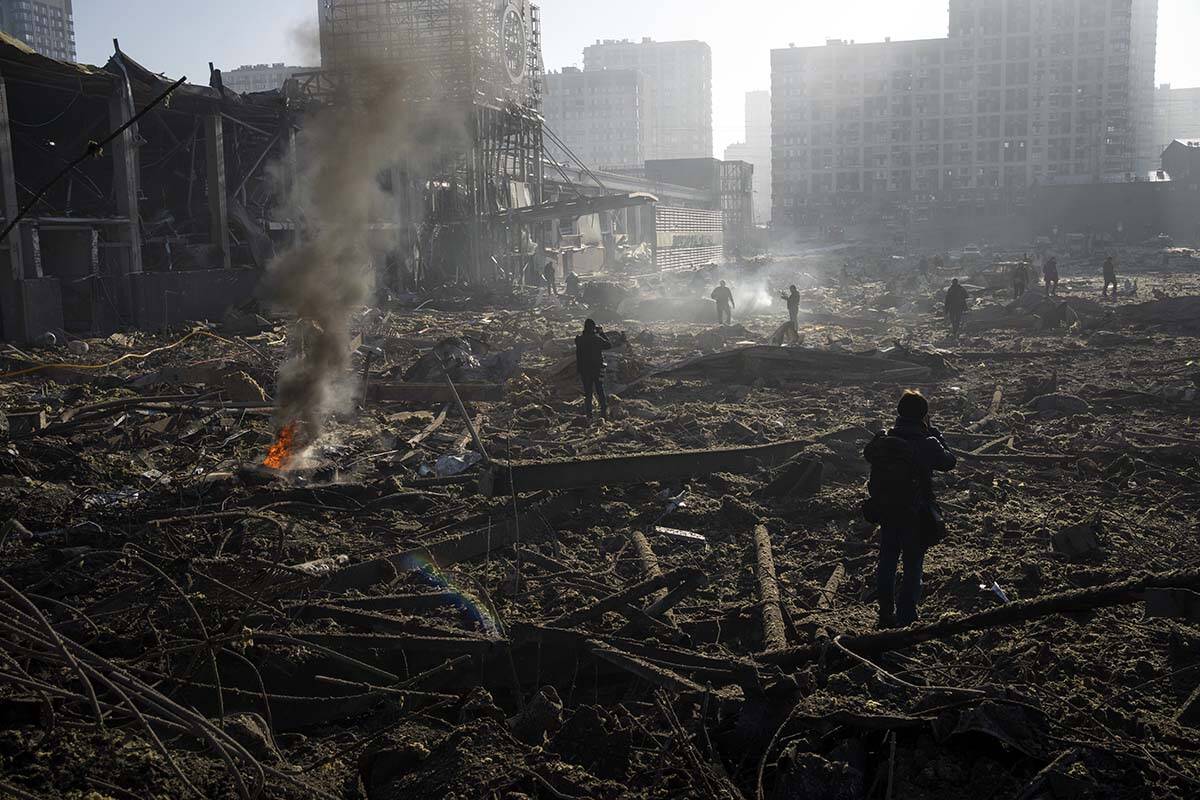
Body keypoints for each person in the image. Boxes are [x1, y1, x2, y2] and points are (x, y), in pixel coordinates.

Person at [865, 391, 957, 628]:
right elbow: (949, 462)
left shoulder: (884, 440)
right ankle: (907, 617)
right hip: (915, 513)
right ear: (924, 416)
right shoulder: (926, 443)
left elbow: (868, 456)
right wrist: (936, 434)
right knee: (913, 564)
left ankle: (885, 611)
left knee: (887, 559)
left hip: (886, 510)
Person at [575, 319, 612, 421]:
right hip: (597, 369)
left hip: (584, 370)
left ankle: (589, 415)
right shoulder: (596, 339)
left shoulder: (579, 340)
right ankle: (604, 414)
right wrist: (601, 333)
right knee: (600, 390)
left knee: (588, 393)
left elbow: (578, 355)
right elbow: (608, 345)